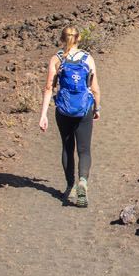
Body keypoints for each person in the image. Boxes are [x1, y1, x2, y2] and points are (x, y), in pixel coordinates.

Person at [38, 26, 99, 206]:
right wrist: (97, 108)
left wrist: (43, 115)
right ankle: (83, 182)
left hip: (63, 110)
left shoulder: (56, 60)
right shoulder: (88, 59)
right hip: (84, 108)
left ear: (62, 39)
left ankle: (70, 186)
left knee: (67, 147)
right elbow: (95, 88)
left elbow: (49, 88)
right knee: (84, 149)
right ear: (79, 38)